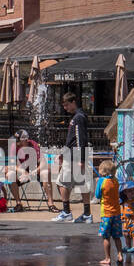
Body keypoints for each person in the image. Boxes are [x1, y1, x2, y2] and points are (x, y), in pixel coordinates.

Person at [52, 92, 92, 223]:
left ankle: (66, 212)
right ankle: (87, 214)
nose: (65, 108)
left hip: (74, 155)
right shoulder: (78, 116)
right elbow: (72, 139)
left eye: (67, 105)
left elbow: (80, 138)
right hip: (75, 154)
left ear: (73, 102)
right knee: (82, 184)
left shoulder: (78, 118)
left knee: (61, 183)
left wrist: (80, 159)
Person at [95, 160, 124, 266]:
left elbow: (97, 195)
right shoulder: (115, 180)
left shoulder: (101, 181)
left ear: (103, 171)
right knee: (117, 236)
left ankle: (107, 258)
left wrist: (99, 183)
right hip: (116, 212)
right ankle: (120, 254)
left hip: (106, 213)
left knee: (106, 237)